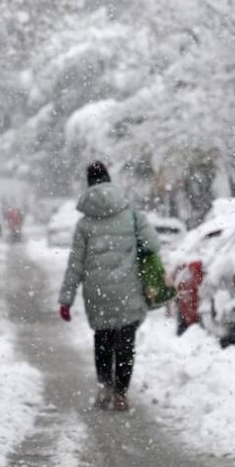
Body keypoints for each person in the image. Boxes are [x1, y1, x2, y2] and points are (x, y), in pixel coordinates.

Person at [58, 161, 159, 412]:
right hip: (128, 289)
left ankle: (105, 387)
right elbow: (152, 245)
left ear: (89, 184)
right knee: (125, 342)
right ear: (110, 180)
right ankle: (121, 394)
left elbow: (75, 264)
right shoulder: (132, 215)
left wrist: (66, 298)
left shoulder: (84, 224)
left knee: (103, 339)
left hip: (97, 292)